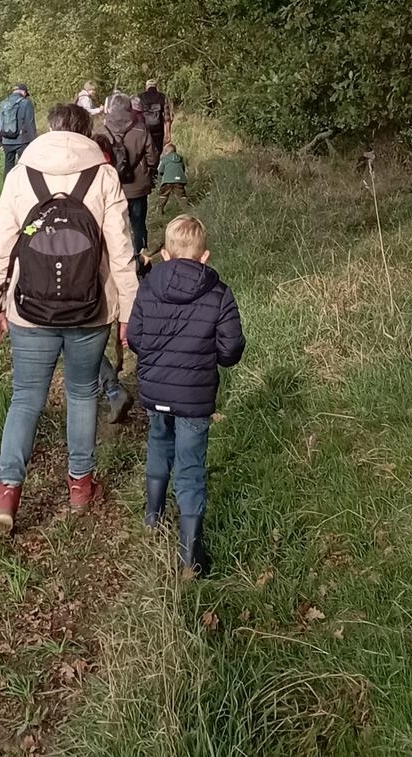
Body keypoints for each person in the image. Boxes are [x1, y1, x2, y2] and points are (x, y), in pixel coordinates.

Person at [0, 102, 140, 535]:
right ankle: (81, 487)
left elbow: (2, 245)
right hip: (91, 308)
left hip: (28, 307)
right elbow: (122, 251)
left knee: (26, 398)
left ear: (49, 130)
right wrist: (128, 310)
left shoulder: (21, 175)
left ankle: (8, 492)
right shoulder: (103, 175)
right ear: (86, 130)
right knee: (83, 393)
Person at [126, 214, 244, 577]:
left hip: (156, 389)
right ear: (204, 256)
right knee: (191, 467)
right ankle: (190, 553)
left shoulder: (148, 287)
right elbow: (231, 348)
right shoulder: (219, 292)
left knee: (159, 440)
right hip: (195, 396)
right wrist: (214, 358)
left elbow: (134, 337)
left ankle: (153, 513)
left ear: (164, 253)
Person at [91, 131, 135, 423]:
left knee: (77, 348)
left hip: (84, 282)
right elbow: (122, 243)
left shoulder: (85, 182)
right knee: (92, 344)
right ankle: (113, 385)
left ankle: (112, 389)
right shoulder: (109, 179)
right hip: (110, 283)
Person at [104, 92, 158, 256]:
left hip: (111, 186)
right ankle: (141, 257)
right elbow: (153, 158)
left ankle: (118, 257)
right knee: (138, 223)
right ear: (130, 108)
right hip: (138, 185)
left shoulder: (102, 130)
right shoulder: (141, 128)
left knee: (115, 224)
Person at [0, 84, 37, 175]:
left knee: (8, 165)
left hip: (6, 140)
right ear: (24, 92)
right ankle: (21, 187)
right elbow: (30, 123)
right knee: (23, 165)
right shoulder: (26, 103)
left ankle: (7, 187)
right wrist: (33, 142)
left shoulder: (3, 103)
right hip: (22, 141)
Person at [138, 78, 173, 152]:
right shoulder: (162, 97)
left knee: (145, 151)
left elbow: (136, 115)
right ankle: (157, 162)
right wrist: (168, 134)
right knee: (158, 150)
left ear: (146, 87)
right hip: (158, 129)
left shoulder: (140, 97)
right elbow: (167, 118)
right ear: (156, 87)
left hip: (145, 129)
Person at [156, 142, 189, 212]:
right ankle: (187, 210)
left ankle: (160, 210)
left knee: (164, 195)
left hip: (167, 181)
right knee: (182, 196)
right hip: (179, 180)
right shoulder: (180, 158)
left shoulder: (164, 159)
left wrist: (160, 180)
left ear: (166, 151)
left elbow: (160, 170)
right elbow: (183, 169)